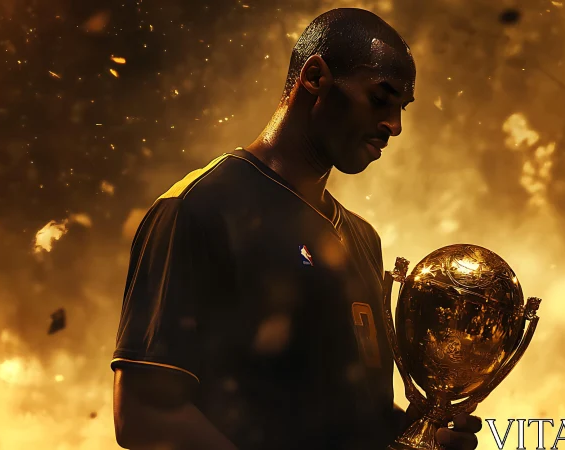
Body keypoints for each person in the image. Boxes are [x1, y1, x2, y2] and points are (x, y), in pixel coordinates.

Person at [110, 7, 482, 450]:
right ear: (314, 77)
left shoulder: (362, 238)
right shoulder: (200, 207)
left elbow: (341, 415)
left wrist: (418, 435)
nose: (394, 126)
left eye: (402, 108)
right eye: (381, 99)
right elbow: (145, 415)